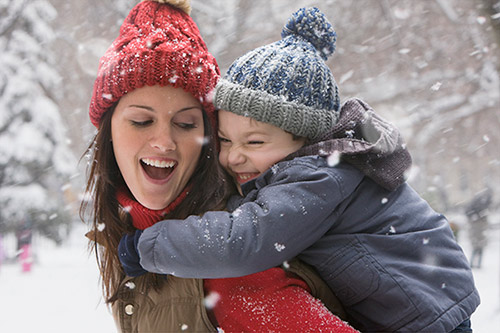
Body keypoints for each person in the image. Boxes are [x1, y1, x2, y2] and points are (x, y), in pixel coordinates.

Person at [120, 6, 480, 333]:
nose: (233, 158)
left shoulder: (320, 176)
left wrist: (150, 245)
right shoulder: (307, 172)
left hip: (426, 314)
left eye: (255, 142)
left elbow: (248, 238)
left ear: (305, 142)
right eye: (226, 141)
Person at [83, 1, 355, 332]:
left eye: (185, 124)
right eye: (141, 121)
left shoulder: (229, 259)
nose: (164, 142)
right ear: (107, 130)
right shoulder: (129, 232)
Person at [465, 187, 493, 269]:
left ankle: (475, 263)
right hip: (478, 227)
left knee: (477, 246)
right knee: (478, 246)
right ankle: (476, 263)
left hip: (477, 227)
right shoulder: (481, 204)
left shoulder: (477, 204)